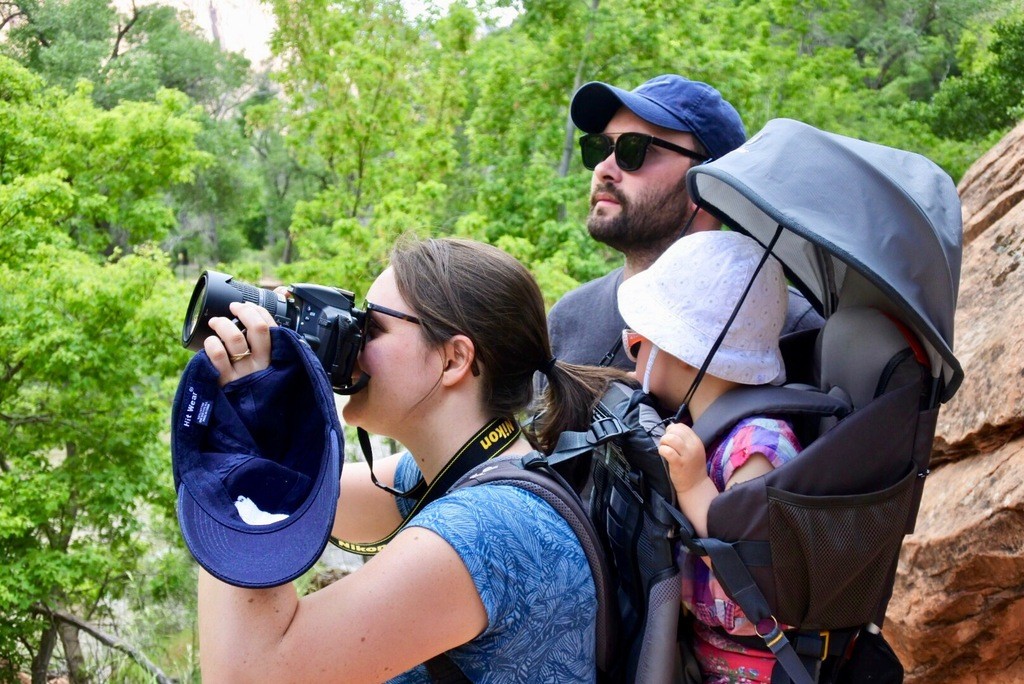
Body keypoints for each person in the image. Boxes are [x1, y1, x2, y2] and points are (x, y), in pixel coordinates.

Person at [195, 236, 630, 683]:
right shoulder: (471, 470)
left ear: (453, 359)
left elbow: (248, 674)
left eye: (373, 330)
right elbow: (301, 497)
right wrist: (276, 386)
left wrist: (245, 440)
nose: (354, 345)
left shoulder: (489, 527)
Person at [616, 229, 802, 683]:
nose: (628, 349)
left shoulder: (757, 446)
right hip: (707, 655)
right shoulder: (702, 428)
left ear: (687, 356)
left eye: (639, 342)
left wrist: (696, 487)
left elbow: (755, 579)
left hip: (758, 668)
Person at [549, 74, 823, 371]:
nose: (603, 168)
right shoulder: (568, 320)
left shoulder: (796, 330)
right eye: (601, 148)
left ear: (708, 183)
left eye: (634, 149)